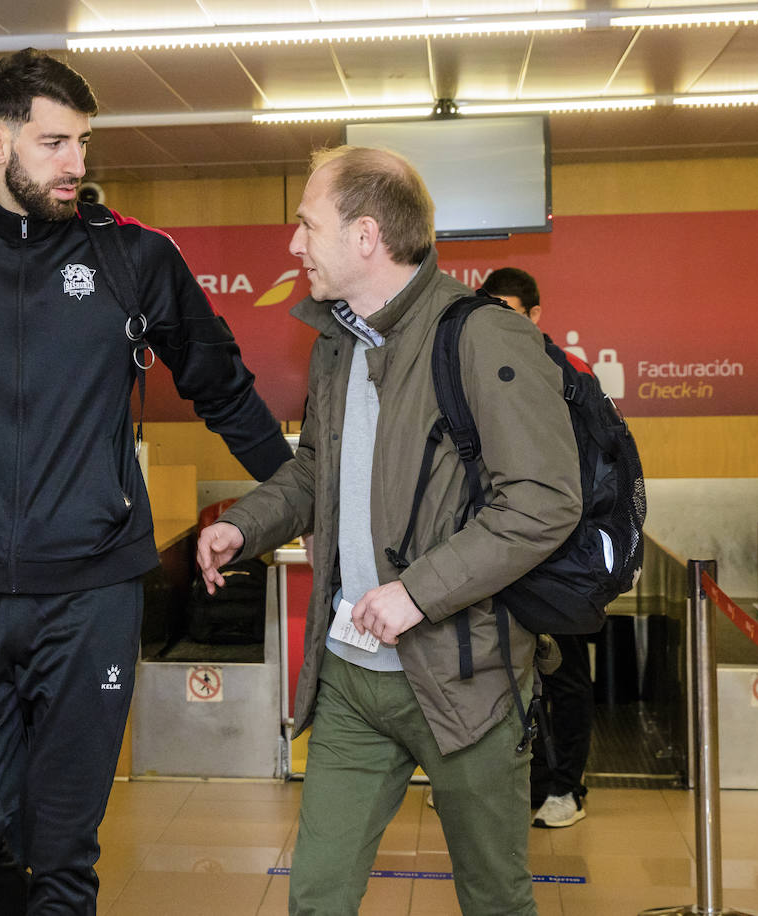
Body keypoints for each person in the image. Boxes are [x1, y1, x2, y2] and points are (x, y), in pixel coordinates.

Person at [0, 48, 293, 915]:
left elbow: (225, 392)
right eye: (55, 143)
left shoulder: (135, 258)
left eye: (83, 143)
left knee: (62, 850)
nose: (76, 165)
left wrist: (305, 493)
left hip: (92, 591)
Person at [196, 146, 581, 915]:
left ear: (365, 235)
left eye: (308, 224)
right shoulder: (338, 343)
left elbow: (543, 500)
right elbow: (315, 472)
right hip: (351, 678)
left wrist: (419, 593)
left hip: (464, 682)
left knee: (494, 898)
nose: (294, 244)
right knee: (316, 896)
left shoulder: (482, 338)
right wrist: (244, 526)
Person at [480, 267, 594, 828]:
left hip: (560, 548)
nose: (500, 319)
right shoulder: (470, 368)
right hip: (495, 547)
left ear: (535, 314)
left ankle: (565, 788)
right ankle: (508, 781)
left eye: (510, 308)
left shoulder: (566, 372)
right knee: (499, 667)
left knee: (564, 672)